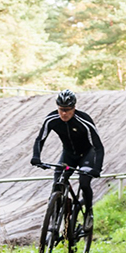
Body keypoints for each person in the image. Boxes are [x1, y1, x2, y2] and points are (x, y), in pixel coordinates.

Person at [30, 89, 105, 217]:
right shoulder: (51, 119)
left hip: (86, 154)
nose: (64, 113)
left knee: (84, 183)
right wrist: (36, 157)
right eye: (61, 109)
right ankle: (56, 218)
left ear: (74, 108)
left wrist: (97, 168)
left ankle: (88, 213)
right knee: (57, 184)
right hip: (68, 154)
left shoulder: (84, 121)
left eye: (67, 110)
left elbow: (98, 147)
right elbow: (40, 139)